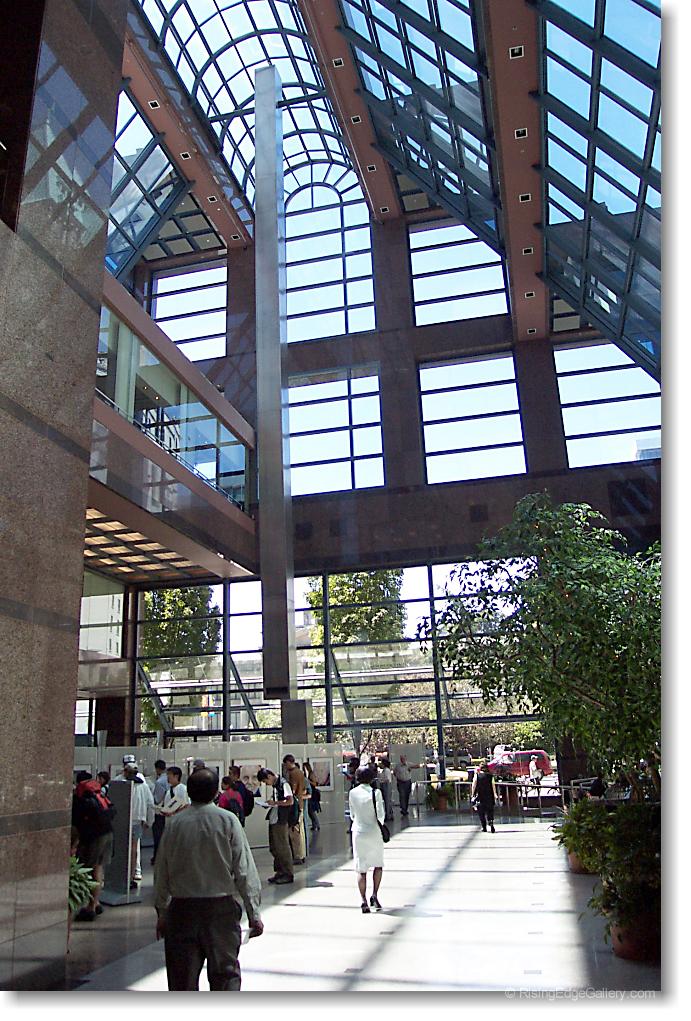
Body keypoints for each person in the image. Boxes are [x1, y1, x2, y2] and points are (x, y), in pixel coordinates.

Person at [154, 768, 263, 991]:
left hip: (182, 911)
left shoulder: (175, 824)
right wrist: (254, 913)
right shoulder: (228, 821)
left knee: (182, 980)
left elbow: (162, 871)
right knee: (225, 976)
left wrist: (162, 912)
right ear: (215, 792)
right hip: (220, 910)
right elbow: (244, 870)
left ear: (189, 792)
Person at [71, 774, 116, 920]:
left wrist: (74, 845)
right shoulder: (97, 795)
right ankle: (96, 903)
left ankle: (91, 906)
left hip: (95, 838)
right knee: (98, 867)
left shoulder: (79, 799)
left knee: (91, 870)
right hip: (107, 833)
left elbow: (76, 825)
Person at [348, 765, 385, 913]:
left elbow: (352, 814)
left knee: (361, 868)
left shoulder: (352, 793)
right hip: (374, 832)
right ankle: (374, 895)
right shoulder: (376, 793)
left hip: (358, 832)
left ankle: (363, 901)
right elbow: (380, 815)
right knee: (378, 865)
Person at [113, 758, 155, 887]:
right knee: (134, 850)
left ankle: (122, 876)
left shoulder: (119, 784)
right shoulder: (143, 786)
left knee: (122, 849)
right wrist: (149, 821)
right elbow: (150, 804)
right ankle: (131, 876)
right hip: (137, 822)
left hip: (123, 822)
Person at [257, 767, 295, 885]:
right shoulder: (276, 786)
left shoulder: (284, 784)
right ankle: (280, 871)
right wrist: (271, 803)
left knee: (282, 847)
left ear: (269, 776)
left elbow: (290, 801)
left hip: (281, 820)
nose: (266, 784)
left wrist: (275, 803)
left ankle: (287, 873)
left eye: (265, 781)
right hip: (275, 818)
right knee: (275, 847)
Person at [282, 754, 306, 865]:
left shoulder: (293, 773)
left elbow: (293, 790)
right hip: (300, 803)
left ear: (288, 762)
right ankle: (301, 854)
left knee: (294, 832)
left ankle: (297, 855)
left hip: (295, 805)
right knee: (300, 831)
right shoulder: (300, 772)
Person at [471, 761, 497, 833]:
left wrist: (472, 794)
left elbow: (474, 785)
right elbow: (493, 785)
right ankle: (491, 822)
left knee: (481, 812)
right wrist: (495, 794)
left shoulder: (477, 775)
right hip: (489, 796)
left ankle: (484, 827)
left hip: (480, 796)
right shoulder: (490, 776)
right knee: (490, 810)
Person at [151, 760, 168, 864]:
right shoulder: (169, 780)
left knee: (158, 834)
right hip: (170, 811)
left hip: (160, 812)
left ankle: (157, 856)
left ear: (157, 769)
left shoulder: (160, 782)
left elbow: (157, 798)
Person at [303, 762, 321, 831]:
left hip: (312, 794)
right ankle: (315, 825)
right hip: (310, 793)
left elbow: (315, 783)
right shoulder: (307, 774)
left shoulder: (311, 774)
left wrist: (308, 781)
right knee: (310, 811)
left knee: (311, 810)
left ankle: (316, 825)